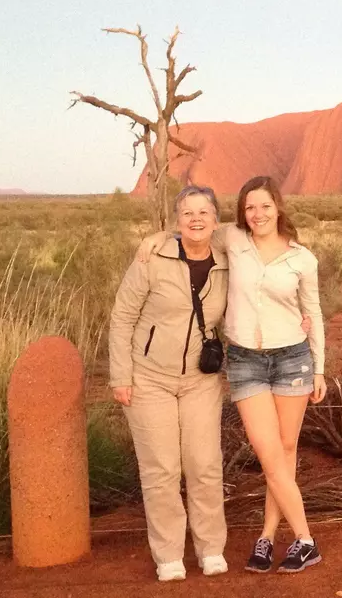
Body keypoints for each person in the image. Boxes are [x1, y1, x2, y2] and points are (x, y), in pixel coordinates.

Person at [140, 175, 327, 574]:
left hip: (293, 359)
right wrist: (156, 238)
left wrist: (320, 366)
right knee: (269, 454)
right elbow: (195, 225)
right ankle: (306, 539)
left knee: (284, 453)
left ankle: (266, 537)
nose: (257, 214)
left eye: (264, 206)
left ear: (278, 207)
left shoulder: (302, 258)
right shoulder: (233, 240)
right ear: (242, 212)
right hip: (246, 361)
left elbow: (315, 311)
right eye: (249, 207)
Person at [109, 185, 230, 582]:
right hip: (149, 379)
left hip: (200, 380)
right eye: (187, 213)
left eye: (203, 212)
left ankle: (211, 548)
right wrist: (121, 376)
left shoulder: (229, 259)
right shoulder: (153, 257)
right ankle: (169, 555)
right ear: (176, 221)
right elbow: (123, 316)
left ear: (216, 219)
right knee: (161, 468)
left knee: (205, 465)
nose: (196, 219)